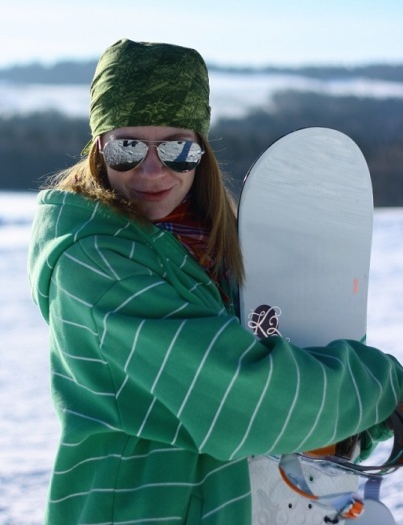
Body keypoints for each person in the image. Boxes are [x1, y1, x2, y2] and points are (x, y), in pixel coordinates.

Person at [28, 38, 402, 525]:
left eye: (177, 148)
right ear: (99, 147)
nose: (152, 170)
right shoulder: (94, 261)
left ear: (200, 150)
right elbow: (235, 400)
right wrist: (380, 389)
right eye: (127, 146)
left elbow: (274, 374)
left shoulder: (210, 246)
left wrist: (351, 423)